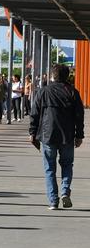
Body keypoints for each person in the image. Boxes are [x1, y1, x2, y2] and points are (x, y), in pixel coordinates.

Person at [29, 64, 84, 210]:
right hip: (67, 135)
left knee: (49, 168)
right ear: (67, 76)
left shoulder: (44, 91)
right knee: (67, 164)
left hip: (48, 135)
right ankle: (65, 191)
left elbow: (34, 113)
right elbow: (79, 115)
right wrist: (79, 135)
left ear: (53, 76)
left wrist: (32, 133)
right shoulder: (72, 92)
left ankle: (53, 201)